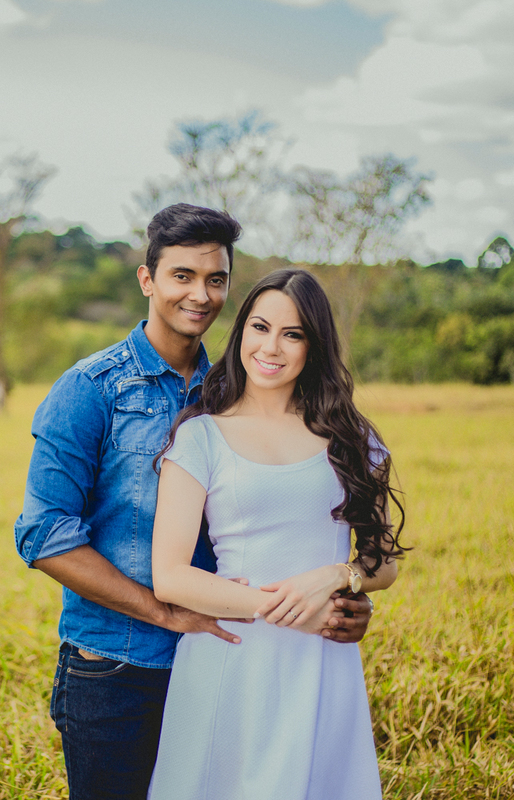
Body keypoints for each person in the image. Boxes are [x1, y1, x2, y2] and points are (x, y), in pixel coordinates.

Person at [13, 204, 376, 800]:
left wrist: (343, 593)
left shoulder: (230, 393)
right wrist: (165, 613)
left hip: (225, 661)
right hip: (117, 667)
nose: (200, 295)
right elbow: (43, 535)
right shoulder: (89, 389)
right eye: (182, 275)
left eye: (216, 279)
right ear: (147, 279)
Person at [146, 268, 407, 799]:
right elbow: (169, 576)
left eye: (292, 334)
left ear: (315, 345)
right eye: (260, 328)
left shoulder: (350, 437)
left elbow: (383, 563)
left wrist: (336, 577)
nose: (272, 347)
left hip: (321, 662)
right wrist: (285, 607)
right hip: (232, 654)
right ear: (241, 332)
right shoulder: (201, 436)